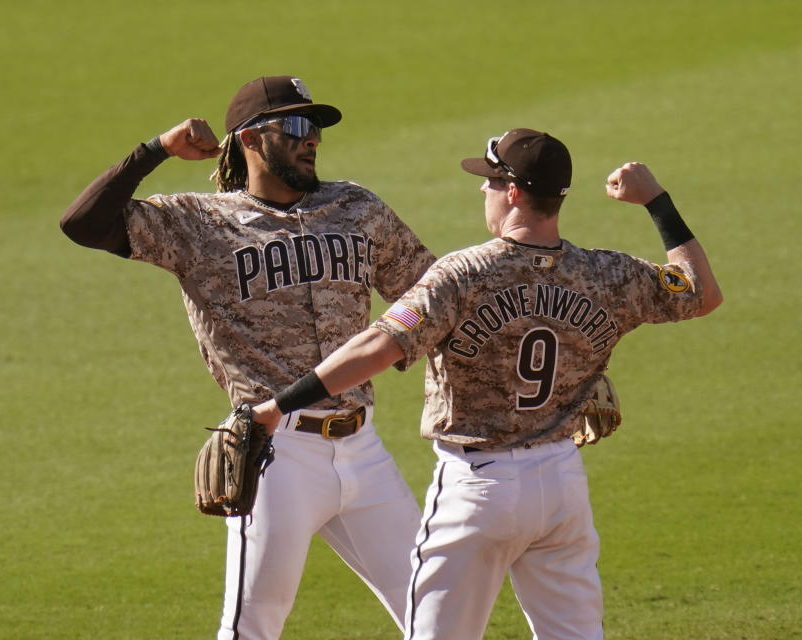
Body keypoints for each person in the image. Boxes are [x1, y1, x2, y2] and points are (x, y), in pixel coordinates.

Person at [249, 128, 723, 639]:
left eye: (491, 181)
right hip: (562, 486)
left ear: (515, 192)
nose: (483, 190)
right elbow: (703, 292)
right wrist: (655, 200)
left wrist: (280, 405)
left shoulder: (463, 274)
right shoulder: (609, 275)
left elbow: (377, 347)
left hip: (478, 489)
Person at [60, 75, 435, 639]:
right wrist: (156, 150)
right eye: (298, 128)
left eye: (317, 130)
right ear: (252, 140)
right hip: (276, 455)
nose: (313, 141)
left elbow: (440, 298)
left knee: (439, 616)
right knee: (252, 627)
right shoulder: (199, 224)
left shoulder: (357, 209)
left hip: (364, 451)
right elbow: (83, 224)